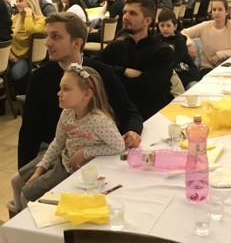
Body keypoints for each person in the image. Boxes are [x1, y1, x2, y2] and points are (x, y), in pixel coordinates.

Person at [17, 12, 142, 170]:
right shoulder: (39, 77)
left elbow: (129, 110)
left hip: (99, 155)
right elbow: (29, 131)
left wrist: (133, 130)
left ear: (76, 43)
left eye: (55, 36)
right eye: (46, 36)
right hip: (55, 154)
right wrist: (26, 169)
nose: (47, 43)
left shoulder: (101, 72)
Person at [12, 64, 125, 211]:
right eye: (60, 88)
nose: (59, 93)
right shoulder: (67, 113)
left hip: (73, 168)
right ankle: (15, 215)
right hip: (62, 156)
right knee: (16, 181)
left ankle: (21, 222)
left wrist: (85, 152)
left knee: (26, 196)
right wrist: (41, 168)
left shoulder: (99, 121)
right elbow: (58, 142)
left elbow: (119, 146)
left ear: (87, 94)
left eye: (66, 89)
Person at [96, 0, 174, 120]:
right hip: (119, 113)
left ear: (147, 21)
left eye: (132, 13)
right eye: (125, 12)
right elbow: (92, 66)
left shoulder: (163, 52)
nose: (125, 17)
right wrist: (123, 71)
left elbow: (147, 88)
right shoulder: (117, 46)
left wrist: (111, 79)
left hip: (151, 115)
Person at [182, 0, 231, 77]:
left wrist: (219, 55)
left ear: (227, 12)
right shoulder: (205, 26)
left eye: (220, 10)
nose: (216, 13)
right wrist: (190, 44)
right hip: (207, 67)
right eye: (214, 10)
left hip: (226, 67)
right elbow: (183, 32)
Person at [8, 0, 45, 93]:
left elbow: (30, 30)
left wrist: (29, 14)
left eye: (20, 1)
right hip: (11, 55)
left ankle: (24, 96)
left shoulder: (41, 20)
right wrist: (9, 54)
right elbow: (6, 37)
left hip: (27, 58)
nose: (17, 4)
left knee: (16, 73)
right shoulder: (15, 18)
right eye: (17, 1)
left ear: (30, 2)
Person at [155, 8, 200, 90]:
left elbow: (174, 60)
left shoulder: (180, 41)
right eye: (162, 25)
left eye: (168, 25)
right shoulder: (156, 39)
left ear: (175, 26)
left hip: (187, 74)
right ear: (158, 26)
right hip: (169, 76)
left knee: (193, 90)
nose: (165, 29)